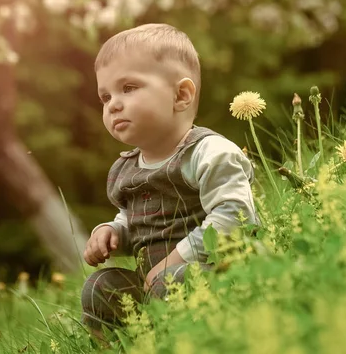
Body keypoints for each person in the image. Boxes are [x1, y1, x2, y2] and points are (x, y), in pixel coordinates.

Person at [80, 23, 260, 339]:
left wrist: (178, 260)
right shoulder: (127, 169)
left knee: (171, 281)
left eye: (129, 88)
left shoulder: (207, 153)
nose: (113, 104)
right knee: (99, 287)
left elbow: (236, 216)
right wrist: (111, 232)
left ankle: (191, 341)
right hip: (152, 281)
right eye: (105, 96)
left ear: (181, 95)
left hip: (214, 274)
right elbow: (135, 220)